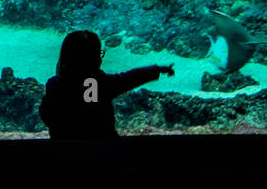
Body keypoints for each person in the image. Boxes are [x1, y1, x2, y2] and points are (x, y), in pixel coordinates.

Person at [39, 30, 173, 139]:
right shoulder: (101, 83)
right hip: (103, 148)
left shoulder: (54, 85)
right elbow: (130, 78)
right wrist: (157, 69)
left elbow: (46, 115)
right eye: (99, 54)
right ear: (95, 59)